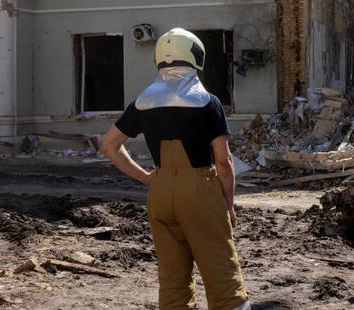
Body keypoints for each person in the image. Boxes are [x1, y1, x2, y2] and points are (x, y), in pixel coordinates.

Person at [98, 28, 249, 310]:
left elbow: (109, 146)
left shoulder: (142, 102)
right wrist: (228, 205)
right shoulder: (207, 101)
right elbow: (223, 163)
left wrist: (146, 177)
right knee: (222, 276)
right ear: (195, 56)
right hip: (200, 192)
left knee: (173, 282)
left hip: (161, 193)